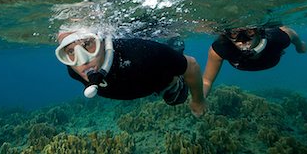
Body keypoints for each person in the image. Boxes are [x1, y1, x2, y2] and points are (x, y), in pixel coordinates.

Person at [55, 29, 207, 117]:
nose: (82, 61)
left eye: (87, 44)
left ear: (102, 41)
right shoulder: (73, 69)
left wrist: (198, 101)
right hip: (140, 81)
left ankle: (175, 47)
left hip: (159, 78)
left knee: (177, 98)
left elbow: (191, 65)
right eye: (70, 51)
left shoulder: (141, 55)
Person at [202, 26, 307, 97]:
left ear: (257, 30)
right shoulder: (221, 48)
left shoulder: (277, 38)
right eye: (234, 33)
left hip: (272, 57)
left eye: (249, 31)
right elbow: (207, 81)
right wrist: (199, 100)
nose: (243, 39)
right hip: (259, 62)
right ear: (227, 35)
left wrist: (300, 46)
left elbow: (291, 33)